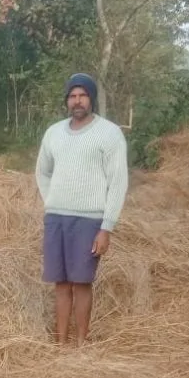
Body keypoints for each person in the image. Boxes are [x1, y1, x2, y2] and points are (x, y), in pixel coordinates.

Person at [35, 73, 128, 346]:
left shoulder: (109, 134)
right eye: (72, 96)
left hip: (89, 221)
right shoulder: (54, 133)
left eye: (83, 96)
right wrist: (51, 199)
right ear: (67, 101)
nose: (77, 101)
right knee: (61, 283)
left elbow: (118, 181)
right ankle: (61, 343)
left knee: (82, 282)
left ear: (91, 99)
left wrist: (106, 227)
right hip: (56, 219)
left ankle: (80, 344)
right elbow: (42, 171)